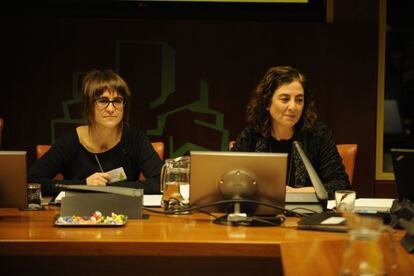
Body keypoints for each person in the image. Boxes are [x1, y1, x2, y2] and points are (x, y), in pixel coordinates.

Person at [28, 69, 163, 196]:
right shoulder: (70, 141)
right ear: (89, 106)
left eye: (117, 101)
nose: (111, 108)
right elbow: (32, 181)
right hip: (77, 215)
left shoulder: (135, 139)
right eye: (103, 101)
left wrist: (111, 189)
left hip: (125, 212)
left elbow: (162, 183)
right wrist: (85, 185)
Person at [231, 66, 351, 199]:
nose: (293, 107)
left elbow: (341, 186)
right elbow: (230, 184)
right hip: (261, 216)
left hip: (306, 216)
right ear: (267, 102)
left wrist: (295, 193)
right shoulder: (250, 136)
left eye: (299, 100)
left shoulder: (317, 134)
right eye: (285, 99)